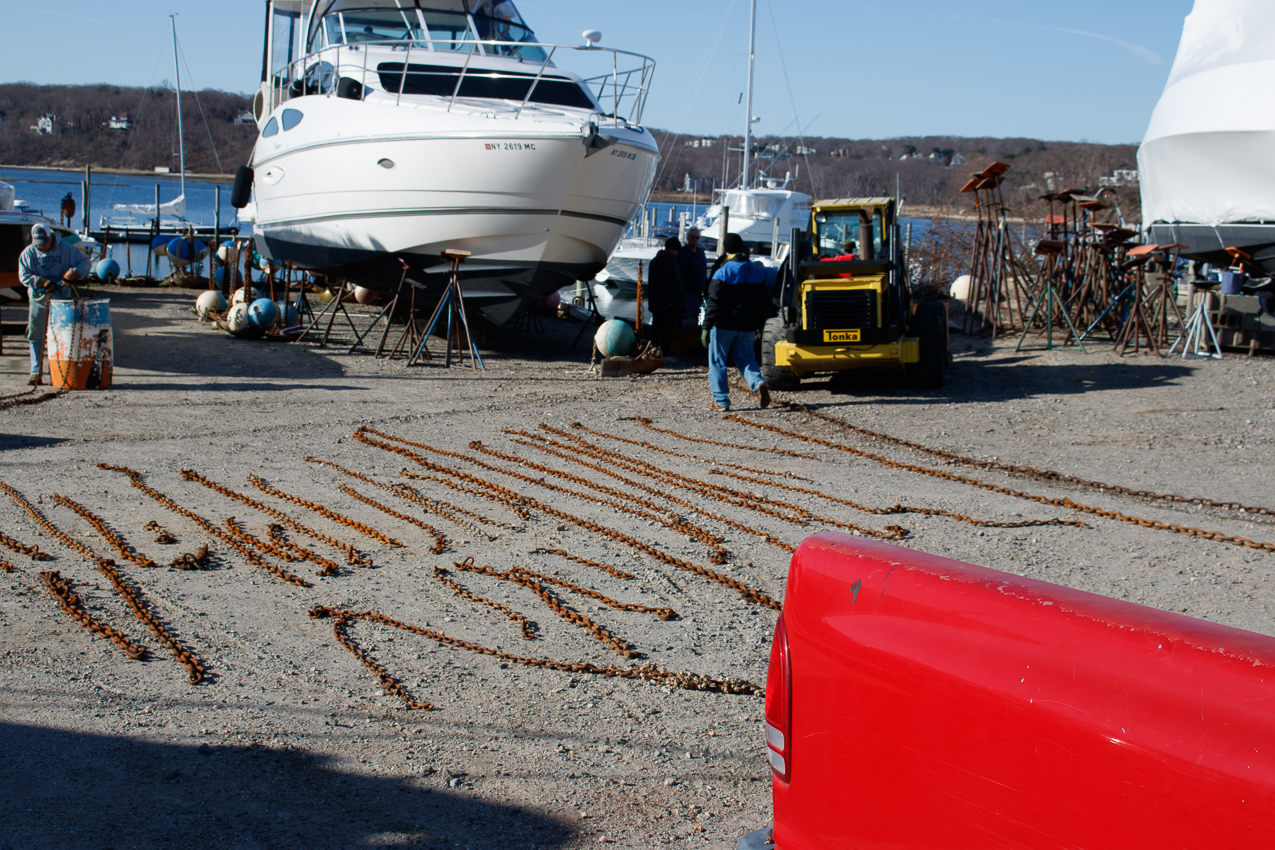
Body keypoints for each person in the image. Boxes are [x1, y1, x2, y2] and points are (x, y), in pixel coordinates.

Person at [701, 232, 772, 411]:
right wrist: (761, 325)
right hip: (748, 326)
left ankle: (721, 401)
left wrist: (705, 327)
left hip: (723, 325)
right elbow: (765, 302)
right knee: (746, 358)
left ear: (726, 250)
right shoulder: (757, 271)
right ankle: (758, 383)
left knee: (717, 362)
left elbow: (713, 303)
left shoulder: (722, 272)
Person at [18, 223, 89, 386]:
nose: (42, 245)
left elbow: (85, 263)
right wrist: (42, 281)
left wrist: (73, 273)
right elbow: (24, 276)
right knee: (35, 335)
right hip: (38, 300)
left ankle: (57, 371)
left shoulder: (67, 249)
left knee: (60, 336)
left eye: (44, 241)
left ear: (51, 237)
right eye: (38, 243)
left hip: (62, 300)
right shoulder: (28, 253)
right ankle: (35, 372)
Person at [646, 237, 684, 356]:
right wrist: (681, 302)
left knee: (655, 329)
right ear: (673, 250)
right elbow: (676, 283)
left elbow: (650, 283)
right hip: (669, 303)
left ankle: (652, 352)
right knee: (667, 331)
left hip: (655, 302)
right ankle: (665, 354)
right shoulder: (672, 262)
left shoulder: (654, 261)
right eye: (677, 250)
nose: (678, 253)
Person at [676, 227, 708, 319]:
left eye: (697, 237)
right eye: (693, 236)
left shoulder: (701, 252)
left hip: (700, 293)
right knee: (688, 319)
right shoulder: (682, 253)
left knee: (697, 318)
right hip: (687, 293)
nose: (695, 239)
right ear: (688, 237)